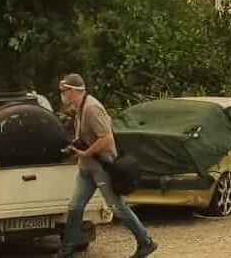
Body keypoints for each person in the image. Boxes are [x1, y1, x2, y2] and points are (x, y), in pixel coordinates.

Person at [55, 73, 157, 258]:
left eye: (63, 91)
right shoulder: (80, 107)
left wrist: (87, 152)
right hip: (87, 168)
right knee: (75, 207)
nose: (61, 94)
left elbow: (106, 137)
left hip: (101, 167)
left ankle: (146, 242)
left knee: (118, 208)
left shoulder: (92, 108)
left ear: (72, 91)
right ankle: (67, 250)